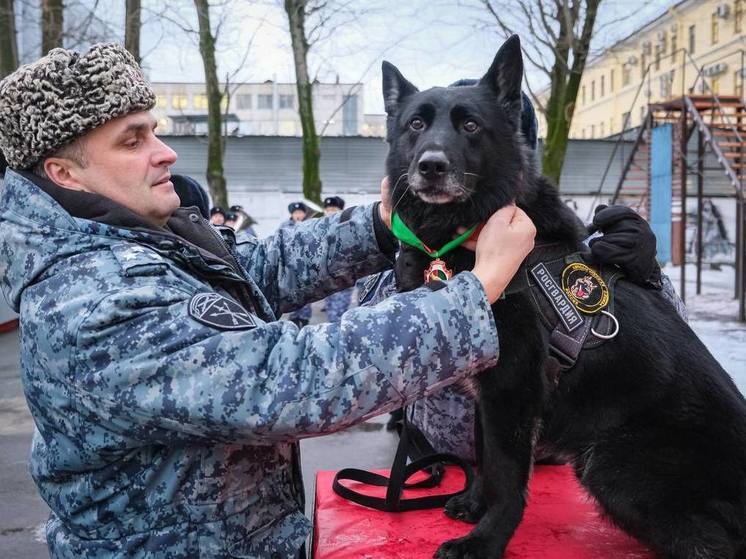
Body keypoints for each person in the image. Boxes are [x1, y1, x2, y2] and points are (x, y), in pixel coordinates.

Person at [0, 43, 537, 558]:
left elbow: (256, 270)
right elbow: (290, 382)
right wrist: (478, 289)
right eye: (131, 140)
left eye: (154, 131)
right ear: (64, 173)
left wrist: (381, 226)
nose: (166, 153)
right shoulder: (88, 300)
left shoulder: (137, 237)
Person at [365, 81, 688, 458]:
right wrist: (417, 276)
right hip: (443, 463)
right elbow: (373, 356)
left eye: (470, 132)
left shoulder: (558, 241)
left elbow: (655, 349)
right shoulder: (411, 245)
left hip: (561, 464)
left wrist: (646, 278)